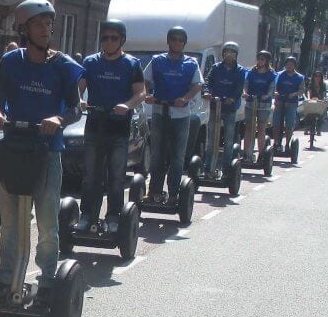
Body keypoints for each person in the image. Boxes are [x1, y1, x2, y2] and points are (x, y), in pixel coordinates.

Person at [0, 0, 84, 310]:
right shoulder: (11, 62)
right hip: (14, 149)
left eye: (49, 23)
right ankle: (5, 281)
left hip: (47, 153)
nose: (47, 29)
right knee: (10, 224)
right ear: (25, 28)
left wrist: (59, 119)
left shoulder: (63, 66)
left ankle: (46, 283)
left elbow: (75, 109)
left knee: (46, 224)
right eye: (40, 24)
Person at [75, 19, 146, 233]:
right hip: (94, 124)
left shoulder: (132, 64)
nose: (108, 41)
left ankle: (113, 217)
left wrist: (127, 105)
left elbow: (141, 93)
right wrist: (79, 100)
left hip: (118, 128)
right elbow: (77, 88)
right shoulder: (90, 62)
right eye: (104, 37)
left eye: (113, 38)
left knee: (116, 177)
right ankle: (87, 215)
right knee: (90, 177)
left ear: (122, 40)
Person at [142, 26, 203, 204]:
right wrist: (147, 95)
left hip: (181, 115)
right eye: (174, 39)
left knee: (177, 156)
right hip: (160, 112)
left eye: (180, 40)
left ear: (184, 43)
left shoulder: (191, 63)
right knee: (157, 155)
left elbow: (197, 85)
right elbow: (145, 79)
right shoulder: (157, 60)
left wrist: (185, 98)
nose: (177, 43)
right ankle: (154, 191)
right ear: (168, 41)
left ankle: (174, 193)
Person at [203, 41, 248, 177]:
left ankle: (226, 168)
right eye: (227, 52)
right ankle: (208, 167)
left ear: (236, 55)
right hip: (215, 106)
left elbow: (239, 87)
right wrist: (206, 92)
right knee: (211, 139)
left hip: (230, 108)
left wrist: (232, 98)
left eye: (232, 53)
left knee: (228, 140)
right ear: (223, 53)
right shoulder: (216, 68)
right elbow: (207, 81)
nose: (229, 55)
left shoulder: (240, 71)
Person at [243, 50, 276, 163]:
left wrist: (267, 95)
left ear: (266, 61)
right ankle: (247, 153)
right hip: (251, 103)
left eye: (262, 59)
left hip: (264, 105)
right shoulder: (251, 72)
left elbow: (272, 89)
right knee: (248, 128)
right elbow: (246, 85)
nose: (260, 61)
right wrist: (245, 93)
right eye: (258, 59)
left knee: (261, 129)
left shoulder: (271, 74)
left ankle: (261, 155)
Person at [272, 56, 305, 153]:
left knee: (289, 124)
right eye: (287, 64)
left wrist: (294, 94)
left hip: (291, 103)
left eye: (291, 65)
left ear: (294, 66)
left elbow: (302, 90)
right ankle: (276, 142)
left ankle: (287, 144)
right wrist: (275, 93)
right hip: (280, 101)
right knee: (276, 123)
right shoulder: (279, 75)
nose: (289, 66)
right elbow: (273, 86)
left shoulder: (299, 77)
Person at [306, 69, 327, 136]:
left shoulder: (323, 85)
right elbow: (309, 92)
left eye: (319, 76)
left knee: (322, 115)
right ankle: (307, 128)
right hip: (311, 102)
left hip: (319, 102)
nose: (317, 78)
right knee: (307, 114)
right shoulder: (311, 84)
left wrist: (323, 100)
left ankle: (318, 129)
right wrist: (309, 99)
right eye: (316, 76)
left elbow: (324, 94)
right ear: (313, 77)